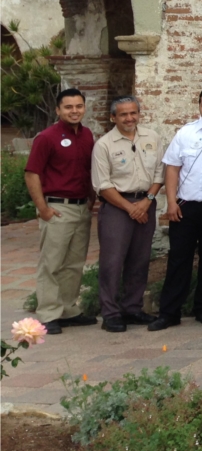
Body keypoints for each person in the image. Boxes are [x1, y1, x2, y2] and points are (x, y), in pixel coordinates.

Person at [149, 88, 202, 331]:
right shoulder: (186, 133)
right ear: (199, 107)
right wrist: (171, 202)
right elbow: (172, 168)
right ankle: (169, 312)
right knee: (178, 260)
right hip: (185, 207)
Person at [24, 88, 97, 335]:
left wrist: (91, 198)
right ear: (58, 110)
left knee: (74, 264)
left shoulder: (88, 136)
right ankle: (48, 313)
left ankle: (68, 310)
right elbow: (32, 173)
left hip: (80, 208)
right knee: (52, 263)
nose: (74, 111)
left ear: (84, 108)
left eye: (78, 106)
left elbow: (89, 171)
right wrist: (42, 208)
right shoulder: (46, 137)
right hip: (56, 208)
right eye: (68, 107)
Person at [92, 96, 164, 332]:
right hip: (117, 207)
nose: (129, 118)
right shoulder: (104, 145)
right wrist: (130, 207)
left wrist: (147, 202)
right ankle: (111, 313)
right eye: (123, 114)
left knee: (140, 258)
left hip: (146, 203)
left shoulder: (151, 138)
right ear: (113, 117)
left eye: (133, 113)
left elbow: (159, 175)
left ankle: (132, 307)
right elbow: (102, 185)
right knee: (112, 262)